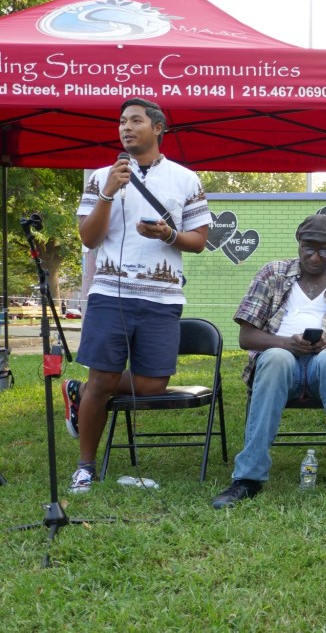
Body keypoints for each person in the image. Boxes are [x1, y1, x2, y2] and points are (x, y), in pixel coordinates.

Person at [62, 98, 211, 494]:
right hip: (110, 295)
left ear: (158, 128)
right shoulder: (101, 177)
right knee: (103, 378)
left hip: (162, 298)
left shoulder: (186, 179)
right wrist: (108, 193)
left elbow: (198, 241)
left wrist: (168, 234)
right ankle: (86, 467)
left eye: (135, 121)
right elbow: (89, 238)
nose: (125, 128)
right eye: (122, 122)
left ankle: (79, 392)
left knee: (152, 386)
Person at [211, 215, 326, 509]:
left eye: (324, 250)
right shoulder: (272, 273)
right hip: (281, 366)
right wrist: (286, 343)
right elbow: (246, 337)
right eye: (308, 248)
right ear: (299, 244)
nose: (315, 257)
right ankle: (247, 479)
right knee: (276, 357)